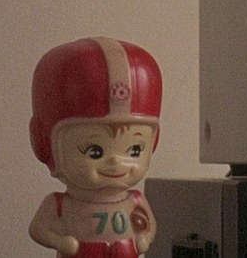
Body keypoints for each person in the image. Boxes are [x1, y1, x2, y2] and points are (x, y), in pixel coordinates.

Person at [29, 37, 162, 258]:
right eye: (94, 152)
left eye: (134, 150)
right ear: (45, 145)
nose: (116, 161)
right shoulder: (59, 205)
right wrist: (61, 242)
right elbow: (37, 230)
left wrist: (145, 238)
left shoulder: (136, 200)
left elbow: (150, 226)